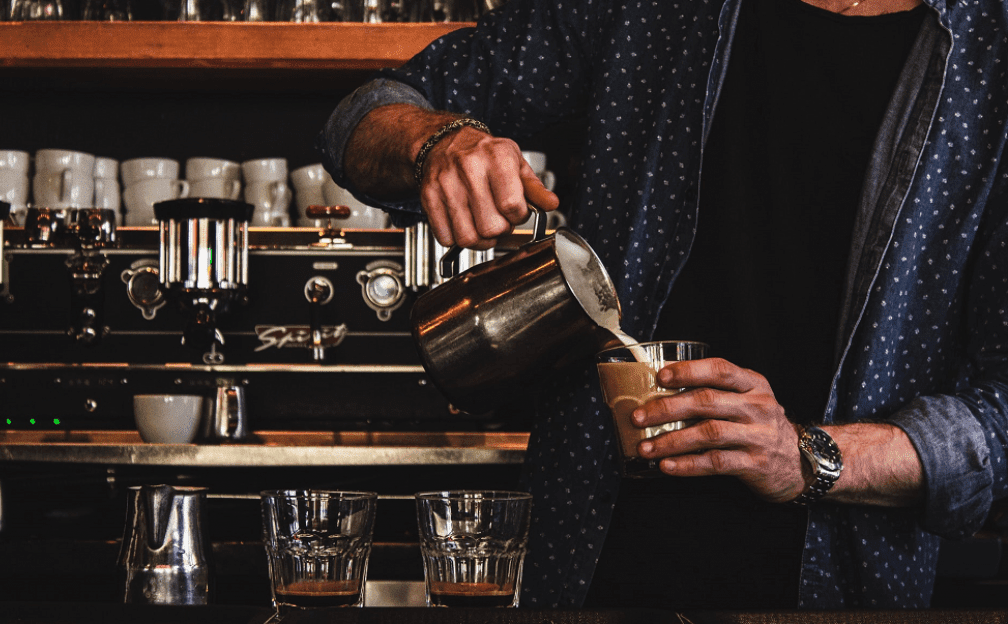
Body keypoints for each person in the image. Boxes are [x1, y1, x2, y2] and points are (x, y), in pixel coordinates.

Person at [319, 0, 1008, 610]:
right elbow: (360, 119)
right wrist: (436, 142)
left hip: (838, 583)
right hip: (582, 569)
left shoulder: (991, 55)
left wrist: (806, 458)